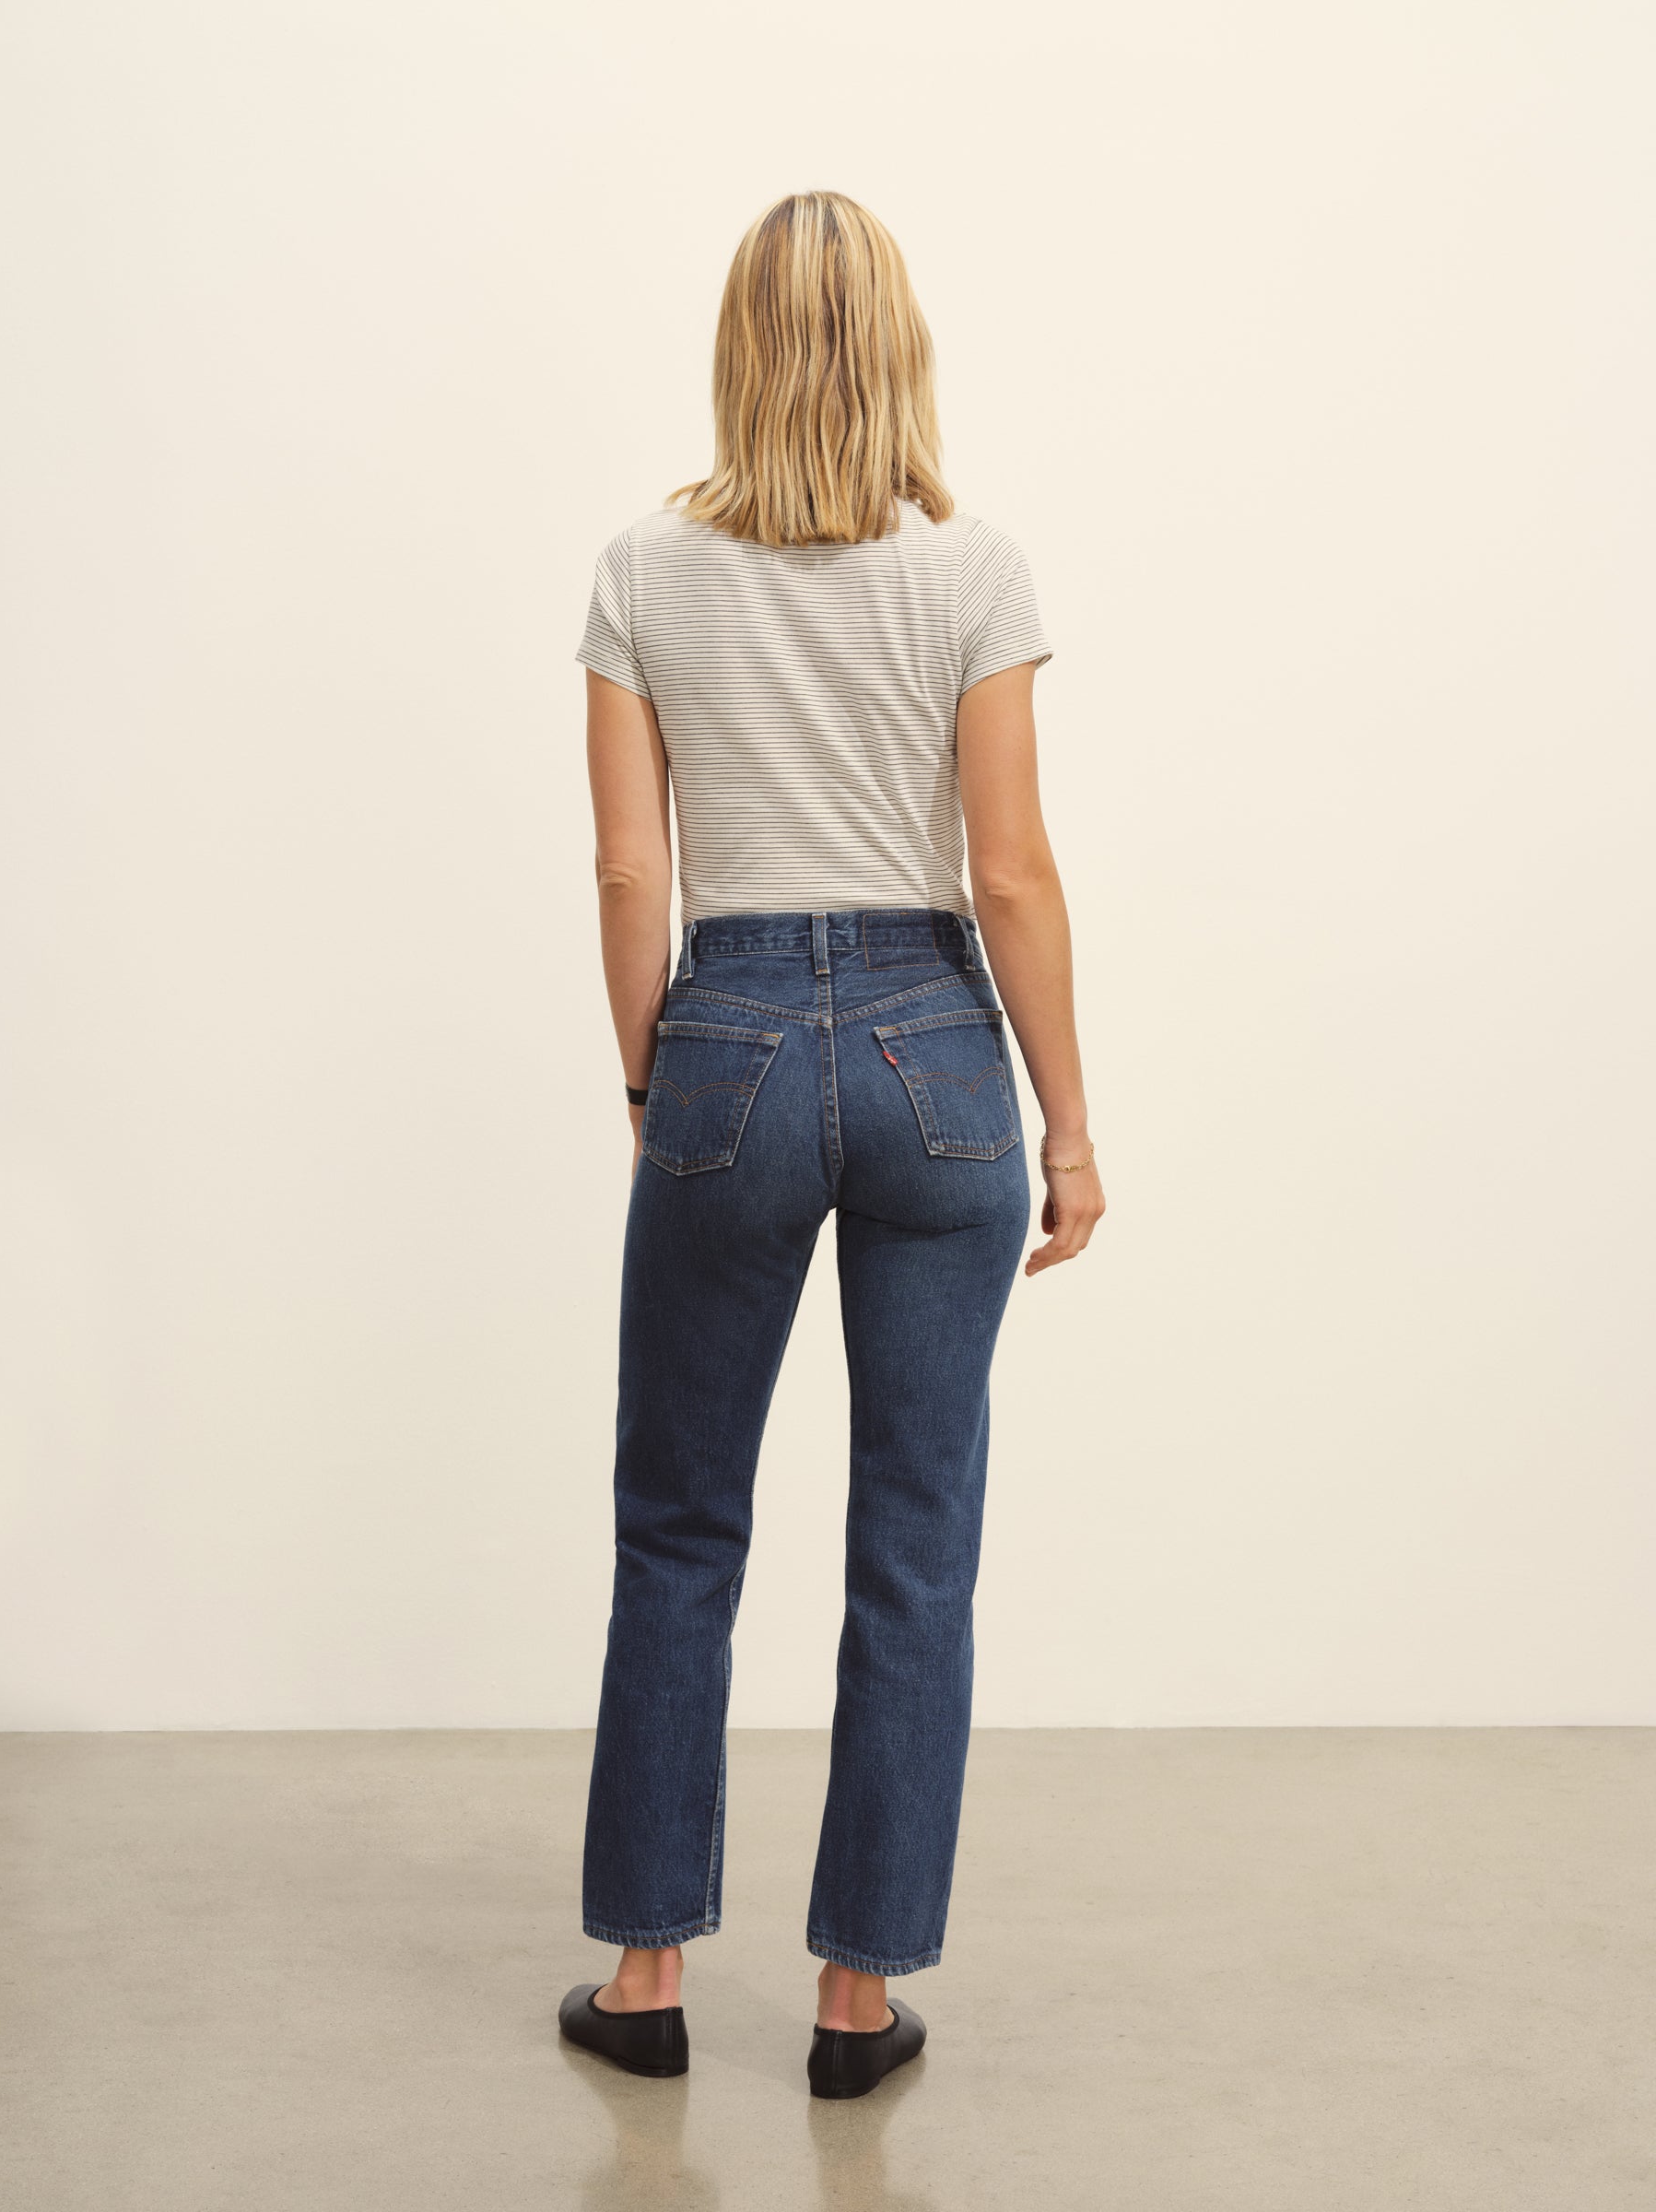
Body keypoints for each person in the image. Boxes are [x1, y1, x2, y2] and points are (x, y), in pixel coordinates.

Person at [558, 189, 1105, 2100]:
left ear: (738, 349)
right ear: (900, 345)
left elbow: (629, 868)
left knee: (679, 1525)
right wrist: (1070, 1125)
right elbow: (1010, 871)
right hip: (936, 1047)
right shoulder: (975, 570)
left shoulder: (642, 569)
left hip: (724, 1034)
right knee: (916, 1539)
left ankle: (646, 1976)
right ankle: (856, 2008)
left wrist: (660, 1082)